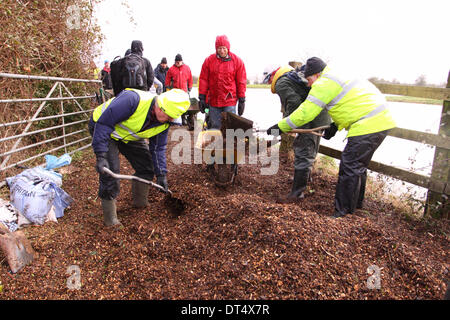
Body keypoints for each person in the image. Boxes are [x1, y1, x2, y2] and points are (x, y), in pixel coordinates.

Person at [266, 57, 396, 218]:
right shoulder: (335, 76)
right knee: (358, 166)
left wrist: (280, 127)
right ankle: (356, 206)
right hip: (381, 120)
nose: (308, 84)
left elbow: (305, 113)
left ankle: (342, 214)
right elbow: (349, 102)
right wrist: (335, 125)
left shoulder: (323, 83)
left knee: (349, 167)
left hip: (368, 124)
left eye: (309, 79)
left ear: (316, 75)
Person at [89, 88, 190, 226]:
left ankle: (140, 203)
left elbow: (158, 148)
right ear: (160, 107)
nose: (170, 120)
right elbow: (104, 123)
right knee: (111, 172)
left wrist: (161, 175)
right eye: (169, 115)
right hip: (104, 128)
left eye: (173, 117)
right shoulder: (132, 100)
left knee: (147, 167)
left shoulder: (165, 122)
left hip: (129, 136)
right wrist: (101, 155)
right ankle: (110, 219)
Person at [264, 64, 331, 203]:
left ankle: (297, 194)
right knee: (310, 149)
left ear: (272, 77)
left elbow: (293, 102)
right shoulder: (293, 77)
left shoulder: (281, 83)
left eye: (269, 81)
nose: (270, 84)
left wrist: (287, 124)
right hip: (321, 115)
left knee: (303, 150)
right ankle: (305, 180)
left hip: (310, 118)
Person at [198, 35, 247, 129]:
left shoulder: (237, 61)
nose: (222, 51)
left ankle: (229, 143)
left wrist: (242, 100)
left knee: (230, 126)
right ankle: (216, 142)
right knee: (215, 126)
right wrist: (202, 97)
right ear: (216, 48)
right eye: (219, 48)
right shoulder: (209, 61)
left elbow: (241, 81)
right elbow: (204, 80)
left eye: (224, 48)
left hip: (230, 100)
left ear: (228, 48)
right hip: (214, 101)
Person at [165, 54, 193, 126]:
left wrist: (190, 86)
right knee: (176, 105)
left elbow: (190, 78)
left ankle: (183, 119)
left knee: (184, 106)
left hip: (184, 90)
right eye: (176, 62)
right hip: (175, 91)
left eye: (179, 62)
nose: (177, 63)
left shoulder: (187, 68)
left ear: (182, 61)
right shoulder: (171, 69)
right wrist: (167, 87)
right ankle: (176, 120)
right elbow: (167, 78)